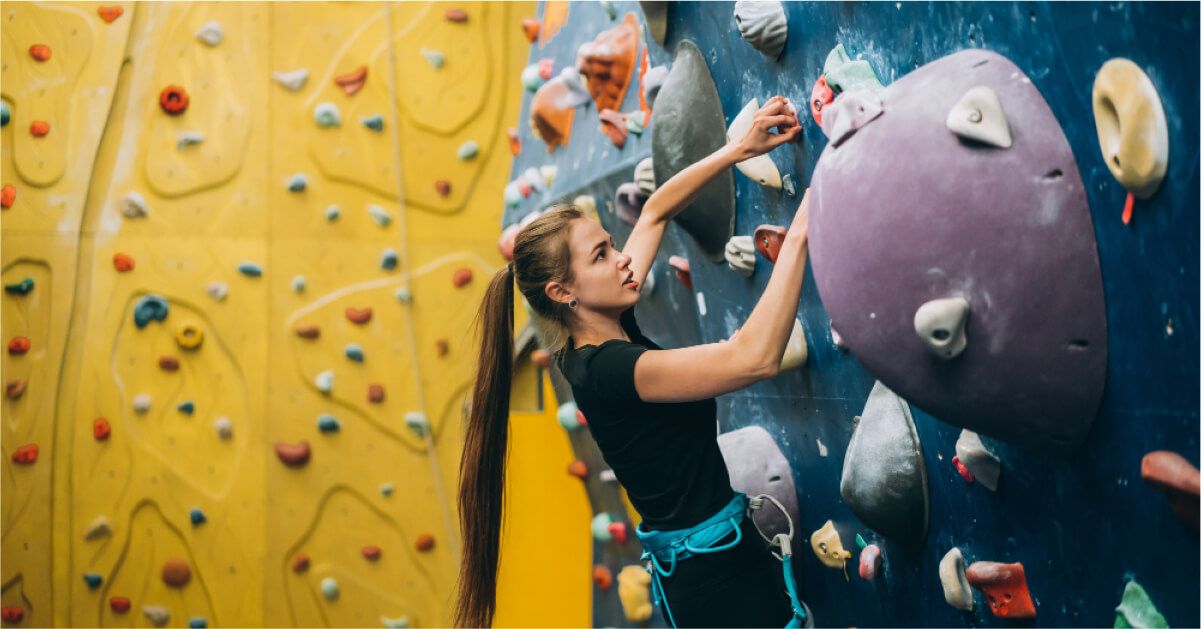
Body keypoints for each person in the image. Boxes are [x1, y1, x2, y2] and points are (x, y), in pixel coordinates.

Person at [456, 96, 811, 628]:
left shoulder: (595, 326)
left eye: (610, 244)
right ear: (563, 291)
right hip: (720, 588)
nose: (623, 258)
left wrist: (737, 150)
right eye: (601, 255)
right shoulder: (613, 369)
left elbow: (655, 211)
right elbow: (755, 358)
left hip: (709, 565)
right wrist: (805, 227)